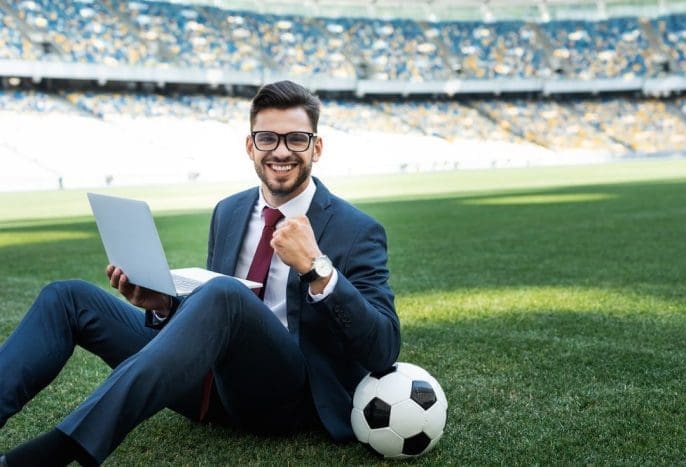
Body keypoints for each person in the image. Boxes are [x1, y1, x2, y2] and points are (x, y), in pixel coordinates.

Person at [0, 80, 401, 466]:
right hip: (209, 384)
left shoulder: (357, 229)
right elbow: (211, 321)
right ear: (250, 145)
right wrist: (162, 306)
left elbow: (383, 349)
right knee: (68, 297)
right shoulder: (229, 211)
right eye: (267, 138)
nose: (281, 151)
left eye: (296, 138)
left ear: (317, 147)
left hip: (285, 398)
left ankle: (59, 448)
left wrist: (317, 267)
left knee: (226, 294)